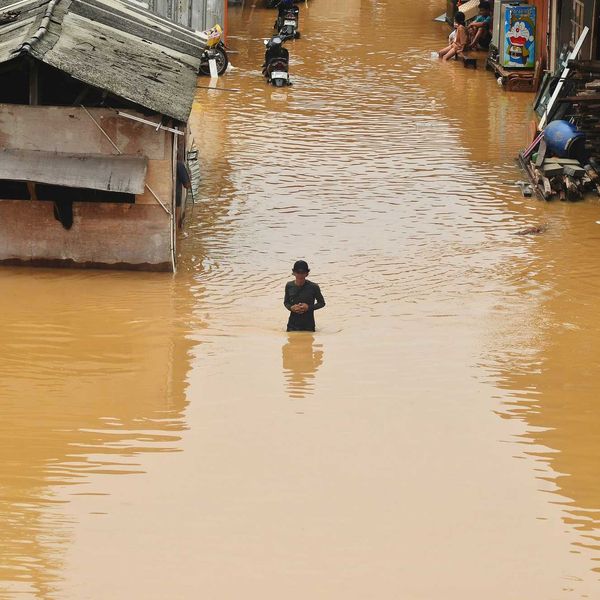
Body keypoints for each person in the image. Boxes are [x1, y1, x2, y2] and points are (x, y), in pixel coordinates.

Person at [283, 260, 325, 332]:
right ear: (293, 273)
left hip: (308, 326)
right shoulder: (289, 285)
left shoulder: (314, 287)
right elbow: (286, 302)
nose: (300, 275)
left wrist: (308, 307)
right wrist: (291, 308)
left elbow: (322, 303)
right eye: (298, 272)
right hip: (292, 326)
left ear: (307, 274)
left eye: (303, 273)